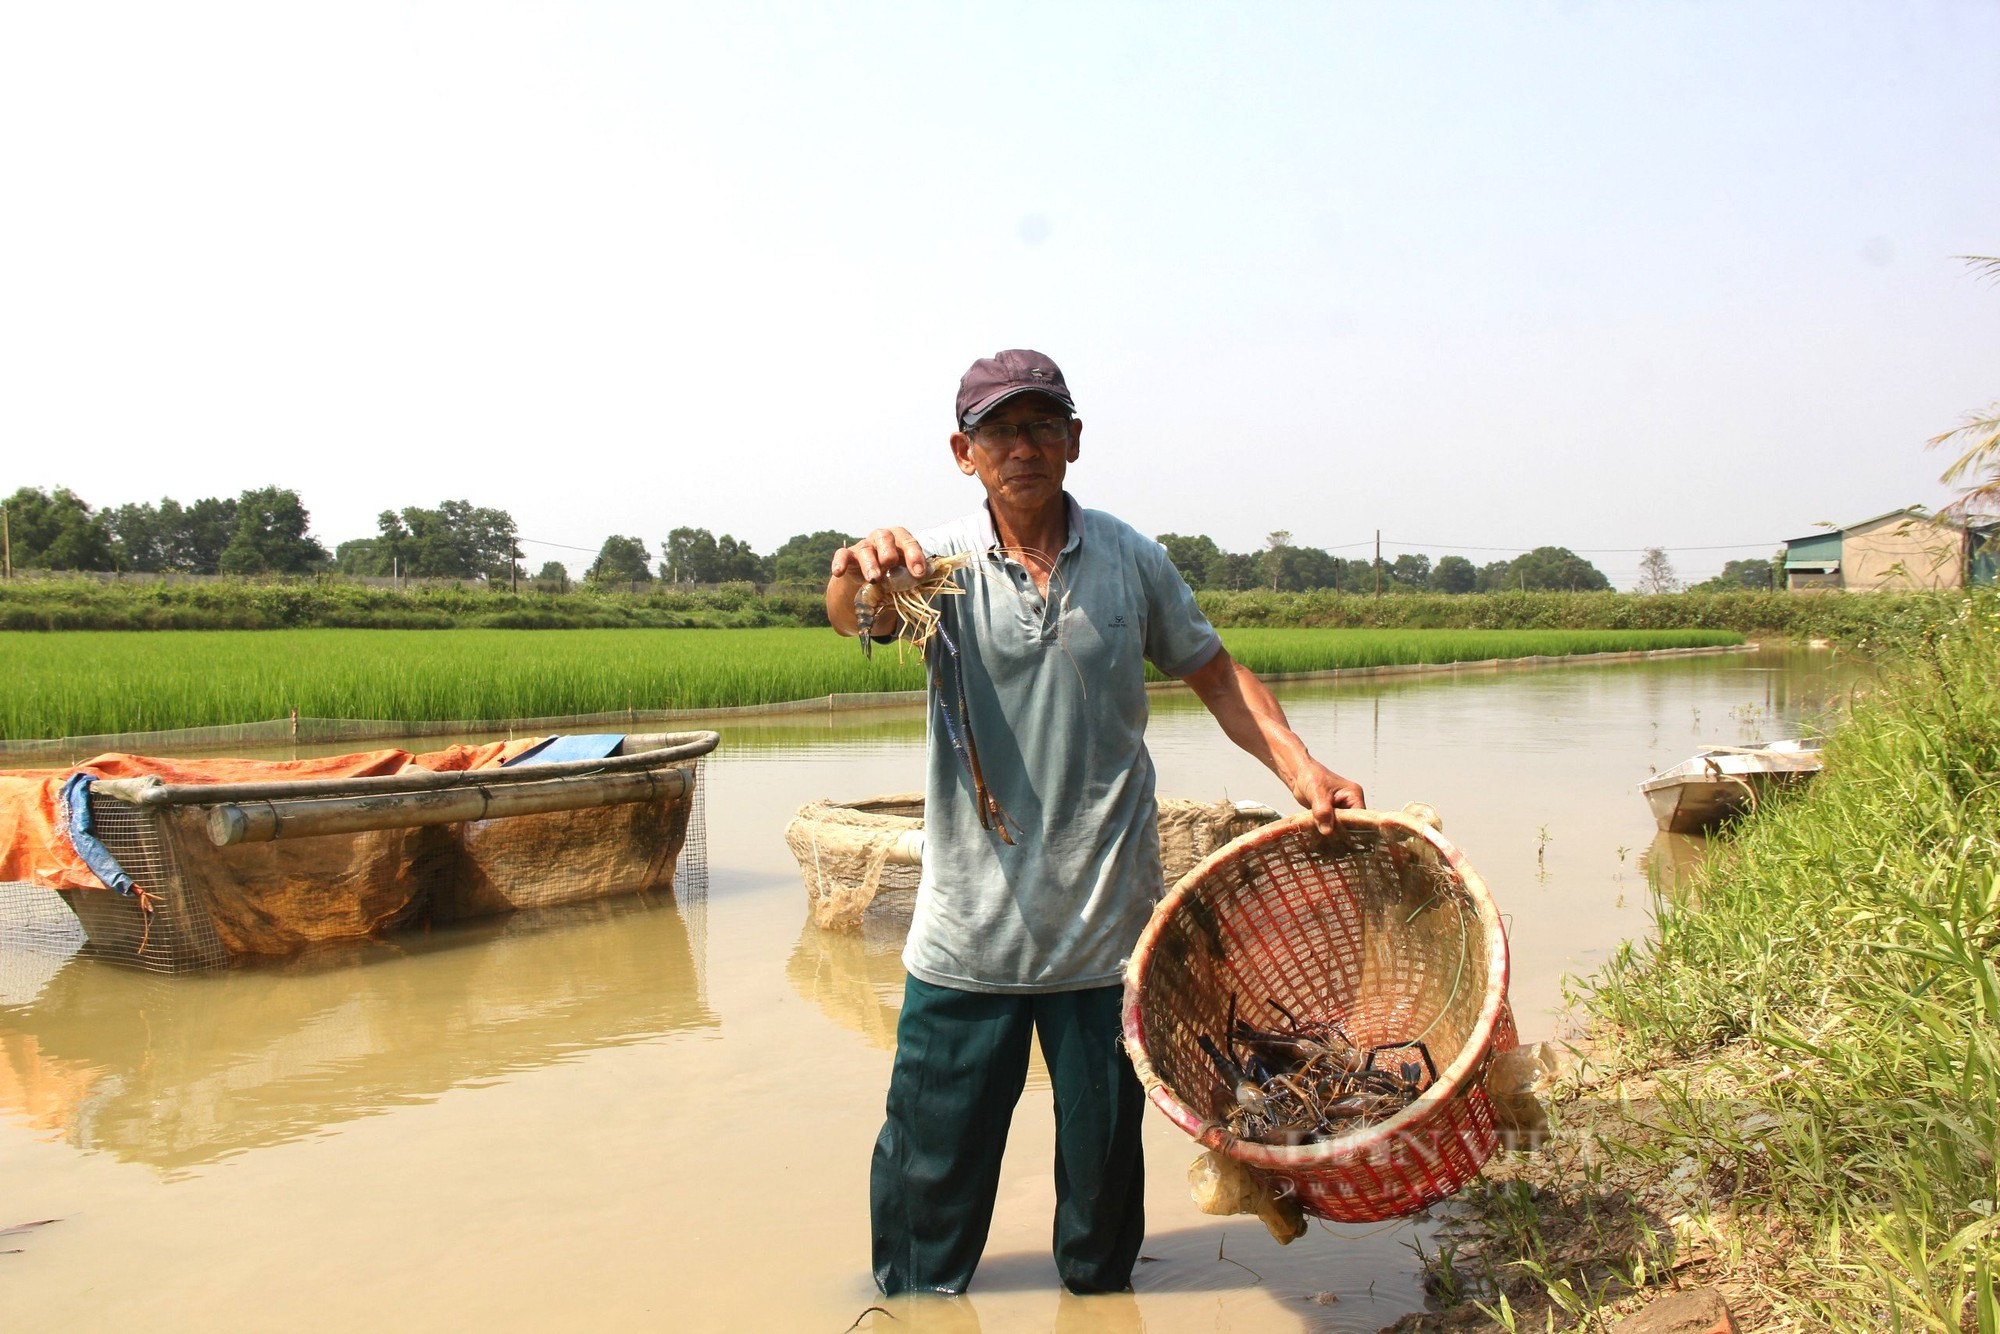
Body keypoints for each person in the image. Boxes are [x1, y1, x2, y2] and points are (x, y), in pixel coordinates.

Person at [826, 349, 1365, 1298]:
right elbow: (858, 616)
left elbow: (1216, 675)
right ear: (965, 452)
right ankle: (914, 1310)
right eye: (1000, 431)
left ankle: (1099, 1307)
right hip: (968, 942)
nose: (1022, 447)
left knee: (1104, 1205)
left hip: (1111, 940)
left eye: (1042, 427)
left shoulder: (1129, 559)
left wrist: (1302, 768)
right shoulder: (933, 568)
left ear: (1074, 441)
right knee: (925, 1193)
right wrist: (859, 573)